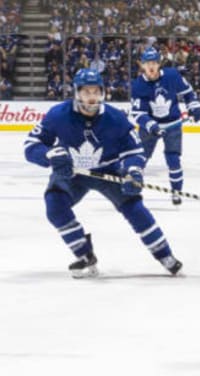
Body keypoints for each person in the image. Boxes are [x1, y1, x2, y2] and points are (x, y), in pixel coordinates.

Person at [23, 68, 182, 278]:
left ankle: (165, 255)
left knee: (134, 208)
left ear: (102, 92)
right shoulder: (58, 115)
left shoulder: (116, 118)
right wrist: (50, 155)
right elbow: (31, 145)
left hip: (108, 171)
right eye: (86, 92)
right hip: (73, 172)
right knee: (54, 205)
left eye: (95, 91)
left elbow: (133, 151)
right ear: (76, 93)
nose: (91, 97)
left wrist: (133, 172)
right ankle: (84, 254)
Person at [130, 47, 200, 206]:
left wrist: (194, 107)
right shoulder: (138, 85)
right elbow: (138, 113)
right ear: (142, 65)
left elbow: (188, 92)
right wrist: (152, 126)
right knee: (140, 158)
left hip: (172, 125)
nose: (151, 66)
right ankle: (132, 191)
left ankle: (176, 192)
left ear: (159, 64)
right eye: (147, 63)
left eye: (154, 62)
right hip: (150, 127)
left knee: (173, 159)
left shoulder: (172, 75)